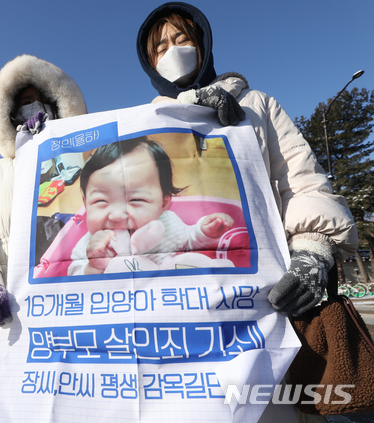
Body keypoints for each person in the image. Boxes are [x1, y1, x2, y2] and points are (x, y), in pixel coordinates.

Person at [136, 3, 357, 422]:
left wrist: (313, 251)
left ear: (202, 44)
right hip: (186, 313)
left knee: (277, 409)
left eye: (182, 38)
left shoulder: (257, 105)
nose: (172, 50)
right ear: (150, 63)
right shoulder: (146, 130)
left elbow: (304, 182)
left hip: (268, 302)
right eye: (160, 46)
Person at [0, 55, 87, 365]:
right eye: (26, 102)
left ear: (58, 107)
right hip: (13, 329)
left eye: (42, 101)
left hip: (80, 326)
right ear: (11, 115)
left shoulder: (86, 162)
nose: (35, 108)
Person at [68, 137, 235, 275]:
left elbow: (189, 242)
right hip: (124, 302)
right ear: (86, 204)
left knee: (188, 261)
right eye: (100, 201)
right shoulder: (88, 245)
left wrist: (204, 232)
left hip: (172, 293)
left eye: (135, 200)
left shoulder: (168, 223)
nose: (117, 215)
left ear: (163, 203)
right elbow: (75, 278)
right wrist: (94, 267)